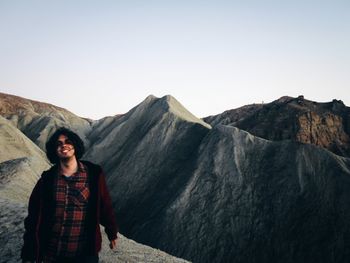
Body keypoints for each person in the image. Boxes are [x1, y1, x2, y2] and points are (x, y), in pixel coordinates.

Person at [21, 127, 118, 263]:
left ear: (75, 146)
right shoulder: (47, 179)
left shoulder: (93, 174)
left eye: (68, 142)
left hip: (84, 254)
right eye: (58, 144)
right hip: (52, 254)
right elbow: (34, 216)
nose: (63, 145)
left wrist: (112, 231)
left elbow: (105, 204)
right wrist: (29, 252)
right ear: (54, 151)